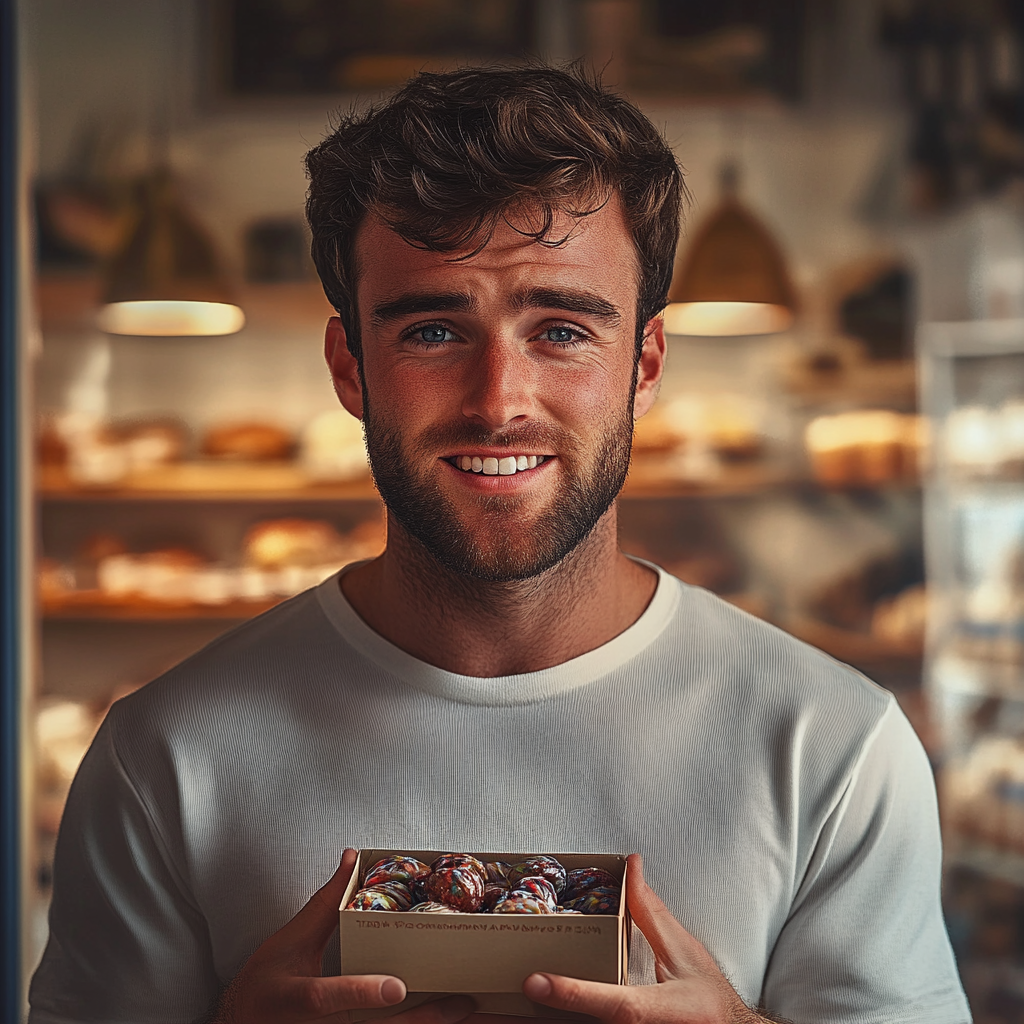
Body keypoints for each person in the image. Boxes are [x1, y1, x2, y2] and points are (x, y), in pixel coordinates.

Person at [30, 65, 970, 1024]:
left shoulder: (833, 748)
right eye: (434, 330)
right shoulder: (165, 759)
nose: (499, 402)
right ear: (350, 366)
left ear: (643, 367)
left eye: (561, 330)